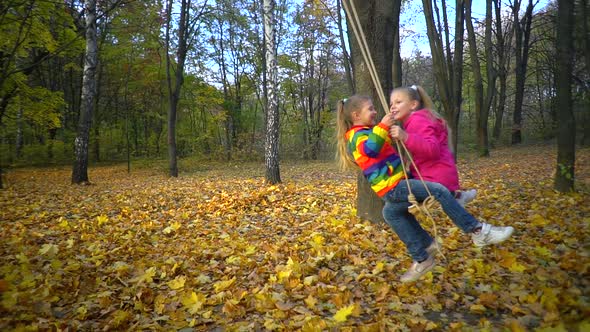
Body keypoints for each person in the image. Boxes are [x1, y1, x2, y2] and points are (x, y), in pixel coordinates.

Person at [336, 95, 514, 283]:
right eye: (370, 109)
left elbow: (381, 148)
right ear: (356, 115)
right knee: (438, 190)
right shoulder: (357, 136)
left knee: (391, 213)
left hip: (395, 186)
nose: (375, 112)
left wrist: (391, 133)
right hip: (394, 186)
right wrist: (382, 126)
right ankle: (477, 231)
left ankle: (423, 253)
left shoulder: (369, 132)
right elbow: (371, 149)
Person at [389, 85, 475, 207]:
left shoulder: (417, 120)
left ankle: (475, 225)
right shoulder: (421, 119)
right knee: (392, 208)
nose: (393, 106)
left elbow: (432, 149)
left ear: (413, 105)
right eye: (391, 103)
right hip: (441, 175)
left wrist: (406, 137)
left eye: (398, 102)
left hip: (434, 179)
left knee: (393, 197)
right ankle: (457, 196)